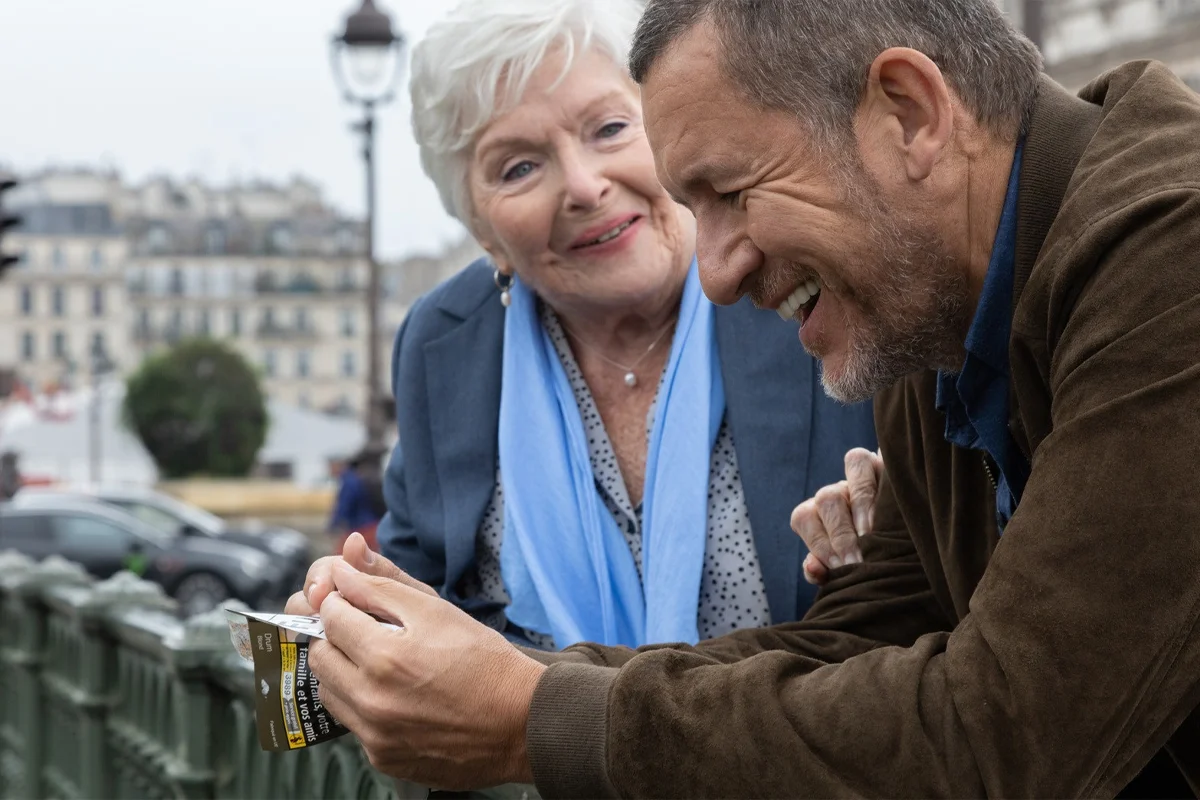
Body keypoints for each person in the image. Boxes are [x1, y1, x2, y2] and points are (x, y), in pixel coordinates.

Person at [289, 0, 1200, 795]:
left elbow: (1001, 734)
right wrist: (466, 679)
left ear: (909, 114)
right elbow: (849, 646)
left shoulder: (1172, 256)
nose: (715, 272)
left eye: (729, 192)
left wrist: (527, 713)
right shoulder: (933, 298)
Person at [359, 0, 875, 652]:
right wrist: (331, 642)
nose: (584, 185)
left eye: (608, 129)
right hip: (526, 757)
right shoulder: (445, 341)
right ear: (483, 232)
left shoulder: (797, 271)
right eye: (518, 167)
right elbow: (411, 603)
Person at [327, 448, 386, 554]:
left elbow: (344, 505)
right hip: (371, 525)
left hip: (362, 527)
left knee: (345, 558)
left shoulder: (348, 481)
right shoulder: (355, 477)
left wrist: (333, 524)